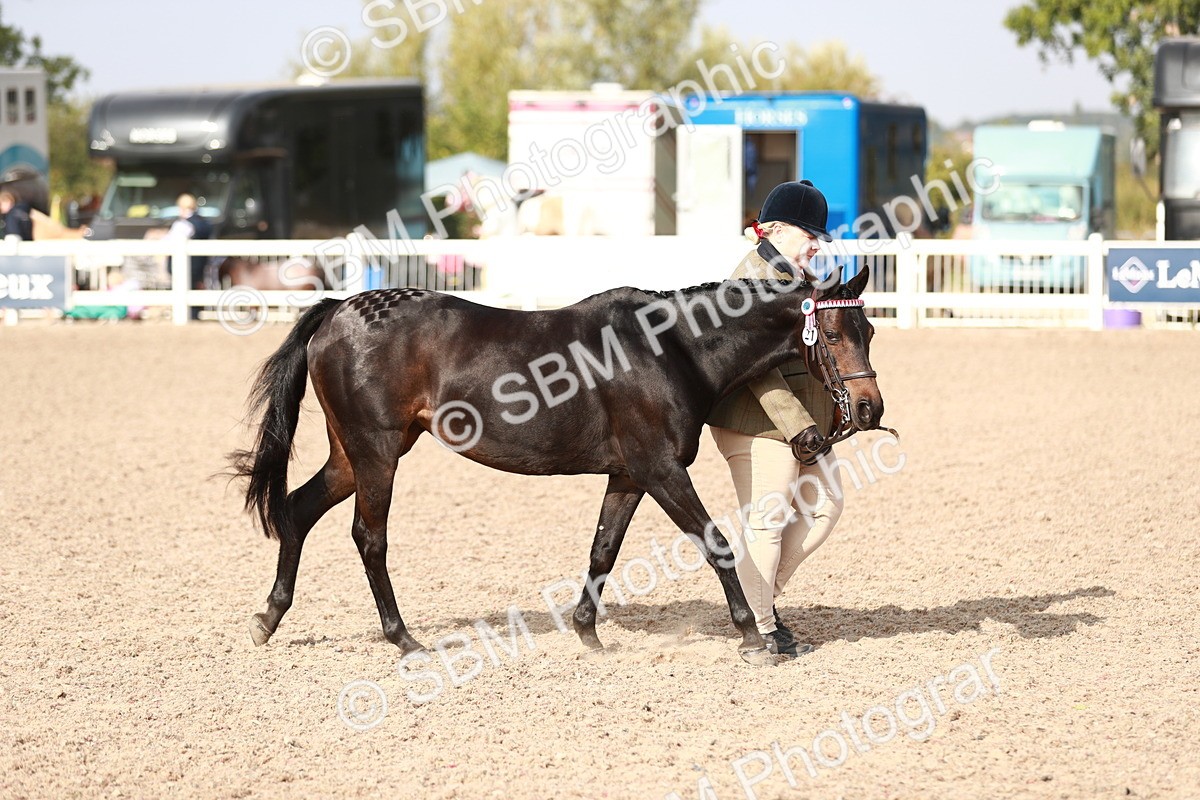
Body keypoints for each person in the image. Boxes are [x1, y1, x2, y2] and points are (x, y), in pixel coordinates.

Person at [706, 179, 844, 661]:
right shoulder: (749, 282)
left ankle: (758, 605)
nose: (817, 245)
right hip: (752, 418)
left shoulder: (793, 275)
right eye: (811, 235)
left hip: (797, 420)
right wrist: (799, 427)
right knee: (766, 522)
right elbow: (757, 369)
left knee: (826, 504)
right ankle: (761, 628)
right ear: (778, 230)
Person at [165, 193, 213, 289]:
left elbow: (168, 242)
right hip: (200, 270)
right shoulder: (204, 223)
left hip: (183, 270)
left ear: (181, 207)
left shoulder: (182, 225)